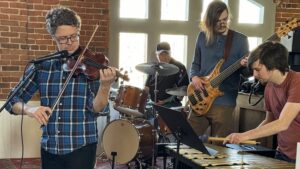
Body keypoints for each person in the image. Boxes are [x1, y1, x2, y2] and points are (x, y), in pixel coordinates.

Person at [5, 6, 116, 169]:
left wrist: (105, 87)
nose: (70, 43)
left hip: (81, 147)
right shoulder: (41, 66)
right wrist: (30, 110)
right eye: (63, 39)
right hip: (50, 147)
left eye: (74, 36)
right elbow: (12, 101)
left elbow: (96, 109)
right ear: (53, 37)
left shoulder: (92, 65)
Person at [224, 41, 300, 163]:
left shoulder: (297, 81)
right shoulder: (269, 87)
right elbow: (269, 120)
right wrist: (245, 139)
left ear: (273, 65)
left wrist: (244, 136)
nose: (254, 74)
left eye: (258, 69)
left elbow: (282, 123)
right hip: (283, 153)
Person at [188, 1, 249, 138]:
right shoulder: (202, 36)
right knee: (187, 142)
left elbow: (246, 73)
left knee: (219, 147)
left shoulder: (240, 40)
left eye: (225, 19)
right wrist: (194, 77)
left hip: (224, 102)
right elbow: (195, 64)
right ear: (209, 20)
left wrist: (247, 66)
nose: (222, 24)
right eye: (218, 20)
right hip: (201, 98)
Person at [145, 41, 189, 108]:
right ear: (157, 55)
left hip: (170, 105)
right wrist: (143, 97)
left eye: (167, 54)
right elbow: (147, 87)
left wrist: (167, 101)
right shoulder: (155, 67)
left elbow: (184, 90)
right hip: (152, 104)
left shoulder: (179, 67)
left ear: (170, 53)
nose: (164, 57)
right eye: (161, 55)